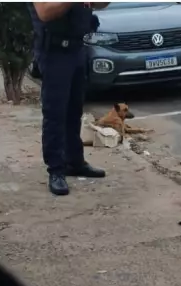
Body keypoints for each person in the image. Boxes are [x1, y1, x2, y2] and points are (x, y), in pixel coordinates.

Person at [29, 2, 109, 196]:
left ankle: (74, 162)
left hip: (77, 49)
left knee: (74, 111)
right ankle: (56, 170)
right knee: (55, 113)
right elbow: (44, 12)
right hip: (54, 51)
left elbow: (102, 4)